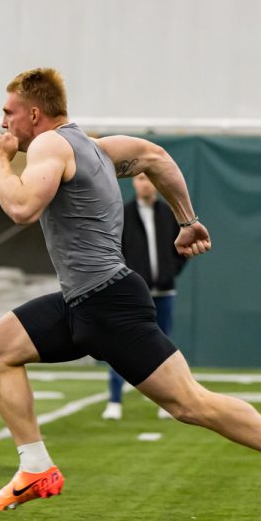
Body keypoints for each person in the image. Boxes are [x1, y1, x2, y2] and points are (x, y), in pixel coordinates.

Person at [0, 67, 261, 521]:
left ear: (33, 113)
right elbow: (155, 156)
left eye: (8, 112)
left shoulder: (50, 144)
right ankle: (35, 468)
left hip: (108, 303)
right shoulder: (99, 148)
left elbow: (23, 208)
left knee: (191, 405)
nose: (3, 122)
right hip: (81, 301)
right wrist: (187, 220)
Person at [101, 172, 187, 421]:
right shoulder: (123, 213)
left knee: (163, 347)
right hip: (132, 294)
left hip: (164, 292)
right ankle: (114, 400)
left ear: (157, 183)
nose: (145, 183)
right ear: (133, 183)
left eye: (149, 179)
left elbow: (181, 248)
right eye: (139, 179)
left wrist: (171, 271)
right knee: (120, 345)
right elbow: (114, 249)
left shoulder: (169, 213)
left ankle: (167, 401)